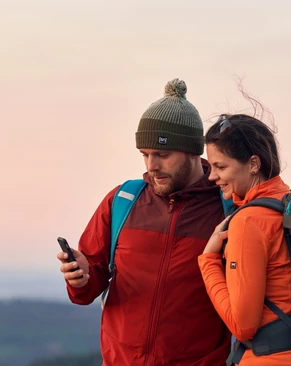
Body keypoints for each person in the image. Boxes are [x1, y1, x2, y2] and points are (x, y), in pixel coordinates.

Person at [57, 79, 232, 366]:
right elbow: (88, 287)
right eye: (145, 155)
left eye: (163, 155)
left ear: (192, 151)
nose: (151, 166)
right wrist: (81, 276)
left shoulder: (226, 210)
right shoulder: (122, 201)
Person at [198, 113, 291, 366]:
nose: (212, 177)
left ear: (254, 164)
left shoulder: (249, 221)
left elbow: (243, 327)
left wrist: (209, 261)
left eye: (221, 167)